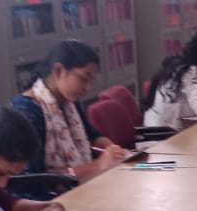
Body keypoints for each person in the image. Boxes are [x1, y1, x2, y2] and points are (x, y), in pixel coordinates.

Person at [10, 40, 128, 182]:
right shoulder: (27, 110)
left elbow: (91, 135)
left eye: (91, 81)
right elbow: (34, 179)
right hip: (54, 193)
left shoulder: (69, 100)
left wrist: (113, 149)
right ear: (59, 70)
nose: (88, 87)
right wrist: (98, 165)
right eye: (83, 79)